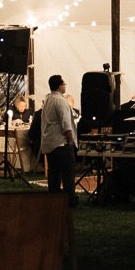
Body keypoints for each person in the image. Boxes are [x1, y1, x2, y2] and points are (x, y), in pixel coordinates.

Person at [40, 73, 79, 204]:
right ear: (59, 86)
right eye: (63, 84)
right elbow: (65, 123)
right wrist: (70, 140)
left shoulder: (48, 100)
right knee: (68, 173)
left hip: (50, 144)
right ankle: (70, 199)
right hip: (60, 143)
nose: (65, 86)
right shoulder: (61, 101)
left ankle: (54, 199)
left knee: (53, 174)